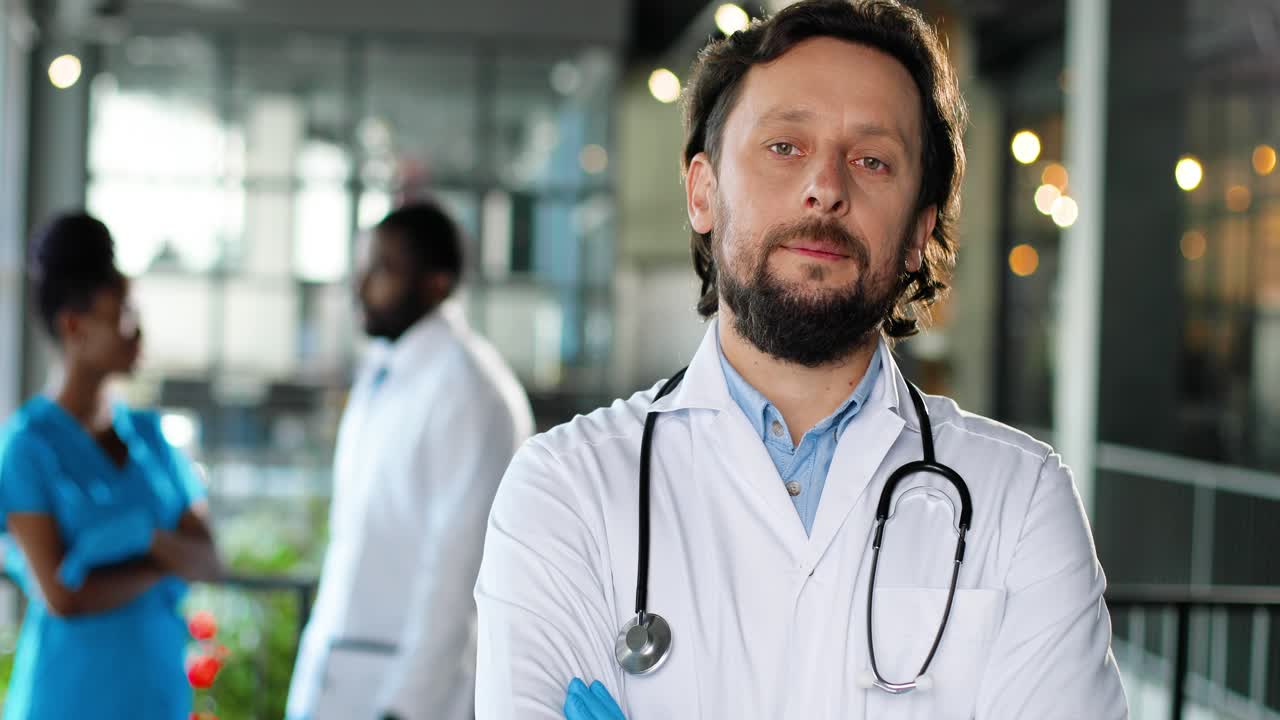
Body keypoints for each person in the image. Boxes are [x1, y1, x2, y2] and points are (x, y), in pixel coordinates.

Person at [473, 1, 1129, 718]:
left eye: (873, 159)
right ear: (702, 192)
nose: (827, 186)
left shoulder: (1023, 499)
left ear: (918, 232)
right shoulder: (565, 490)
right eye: (784, 146)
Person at [286, 202, 534, 720]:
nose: (360, 286)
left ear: (436, 284)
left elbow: (458, 575)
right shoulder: (384, 371)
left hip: (404, 696)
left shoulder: (471, 393)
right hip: (340, 674)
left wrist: (407, 708)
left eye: (383, 270)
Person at [0, 212, 224, 719]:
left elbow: (211, 561)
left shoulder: (152, 438)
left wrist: (142, 543)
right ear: (74, 326)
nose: (137, 331)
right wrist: (162, 551)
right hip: (67, 698)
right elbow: (63, 596)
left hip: (154, 695)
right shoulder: (27, 446)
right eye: (121, 314)